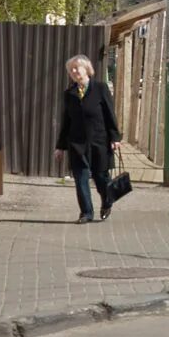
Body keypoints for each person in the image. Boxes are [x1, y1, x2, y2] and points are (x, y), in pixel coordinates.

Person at [55, 54, 120, 223]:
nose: (74, 71)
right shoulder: (69, 94)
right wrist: (60, 147)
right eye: (71, 70)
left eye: (77, 68)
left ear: (87, 69)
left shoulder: (100, 88)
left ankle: (107, 201)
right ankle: (86, 213)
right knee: (81, 178)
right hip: (77, 143)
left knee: (101, 177)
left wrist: (115, 137)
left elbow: (110, 115)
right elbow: (66, 121)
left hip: (99, 141)